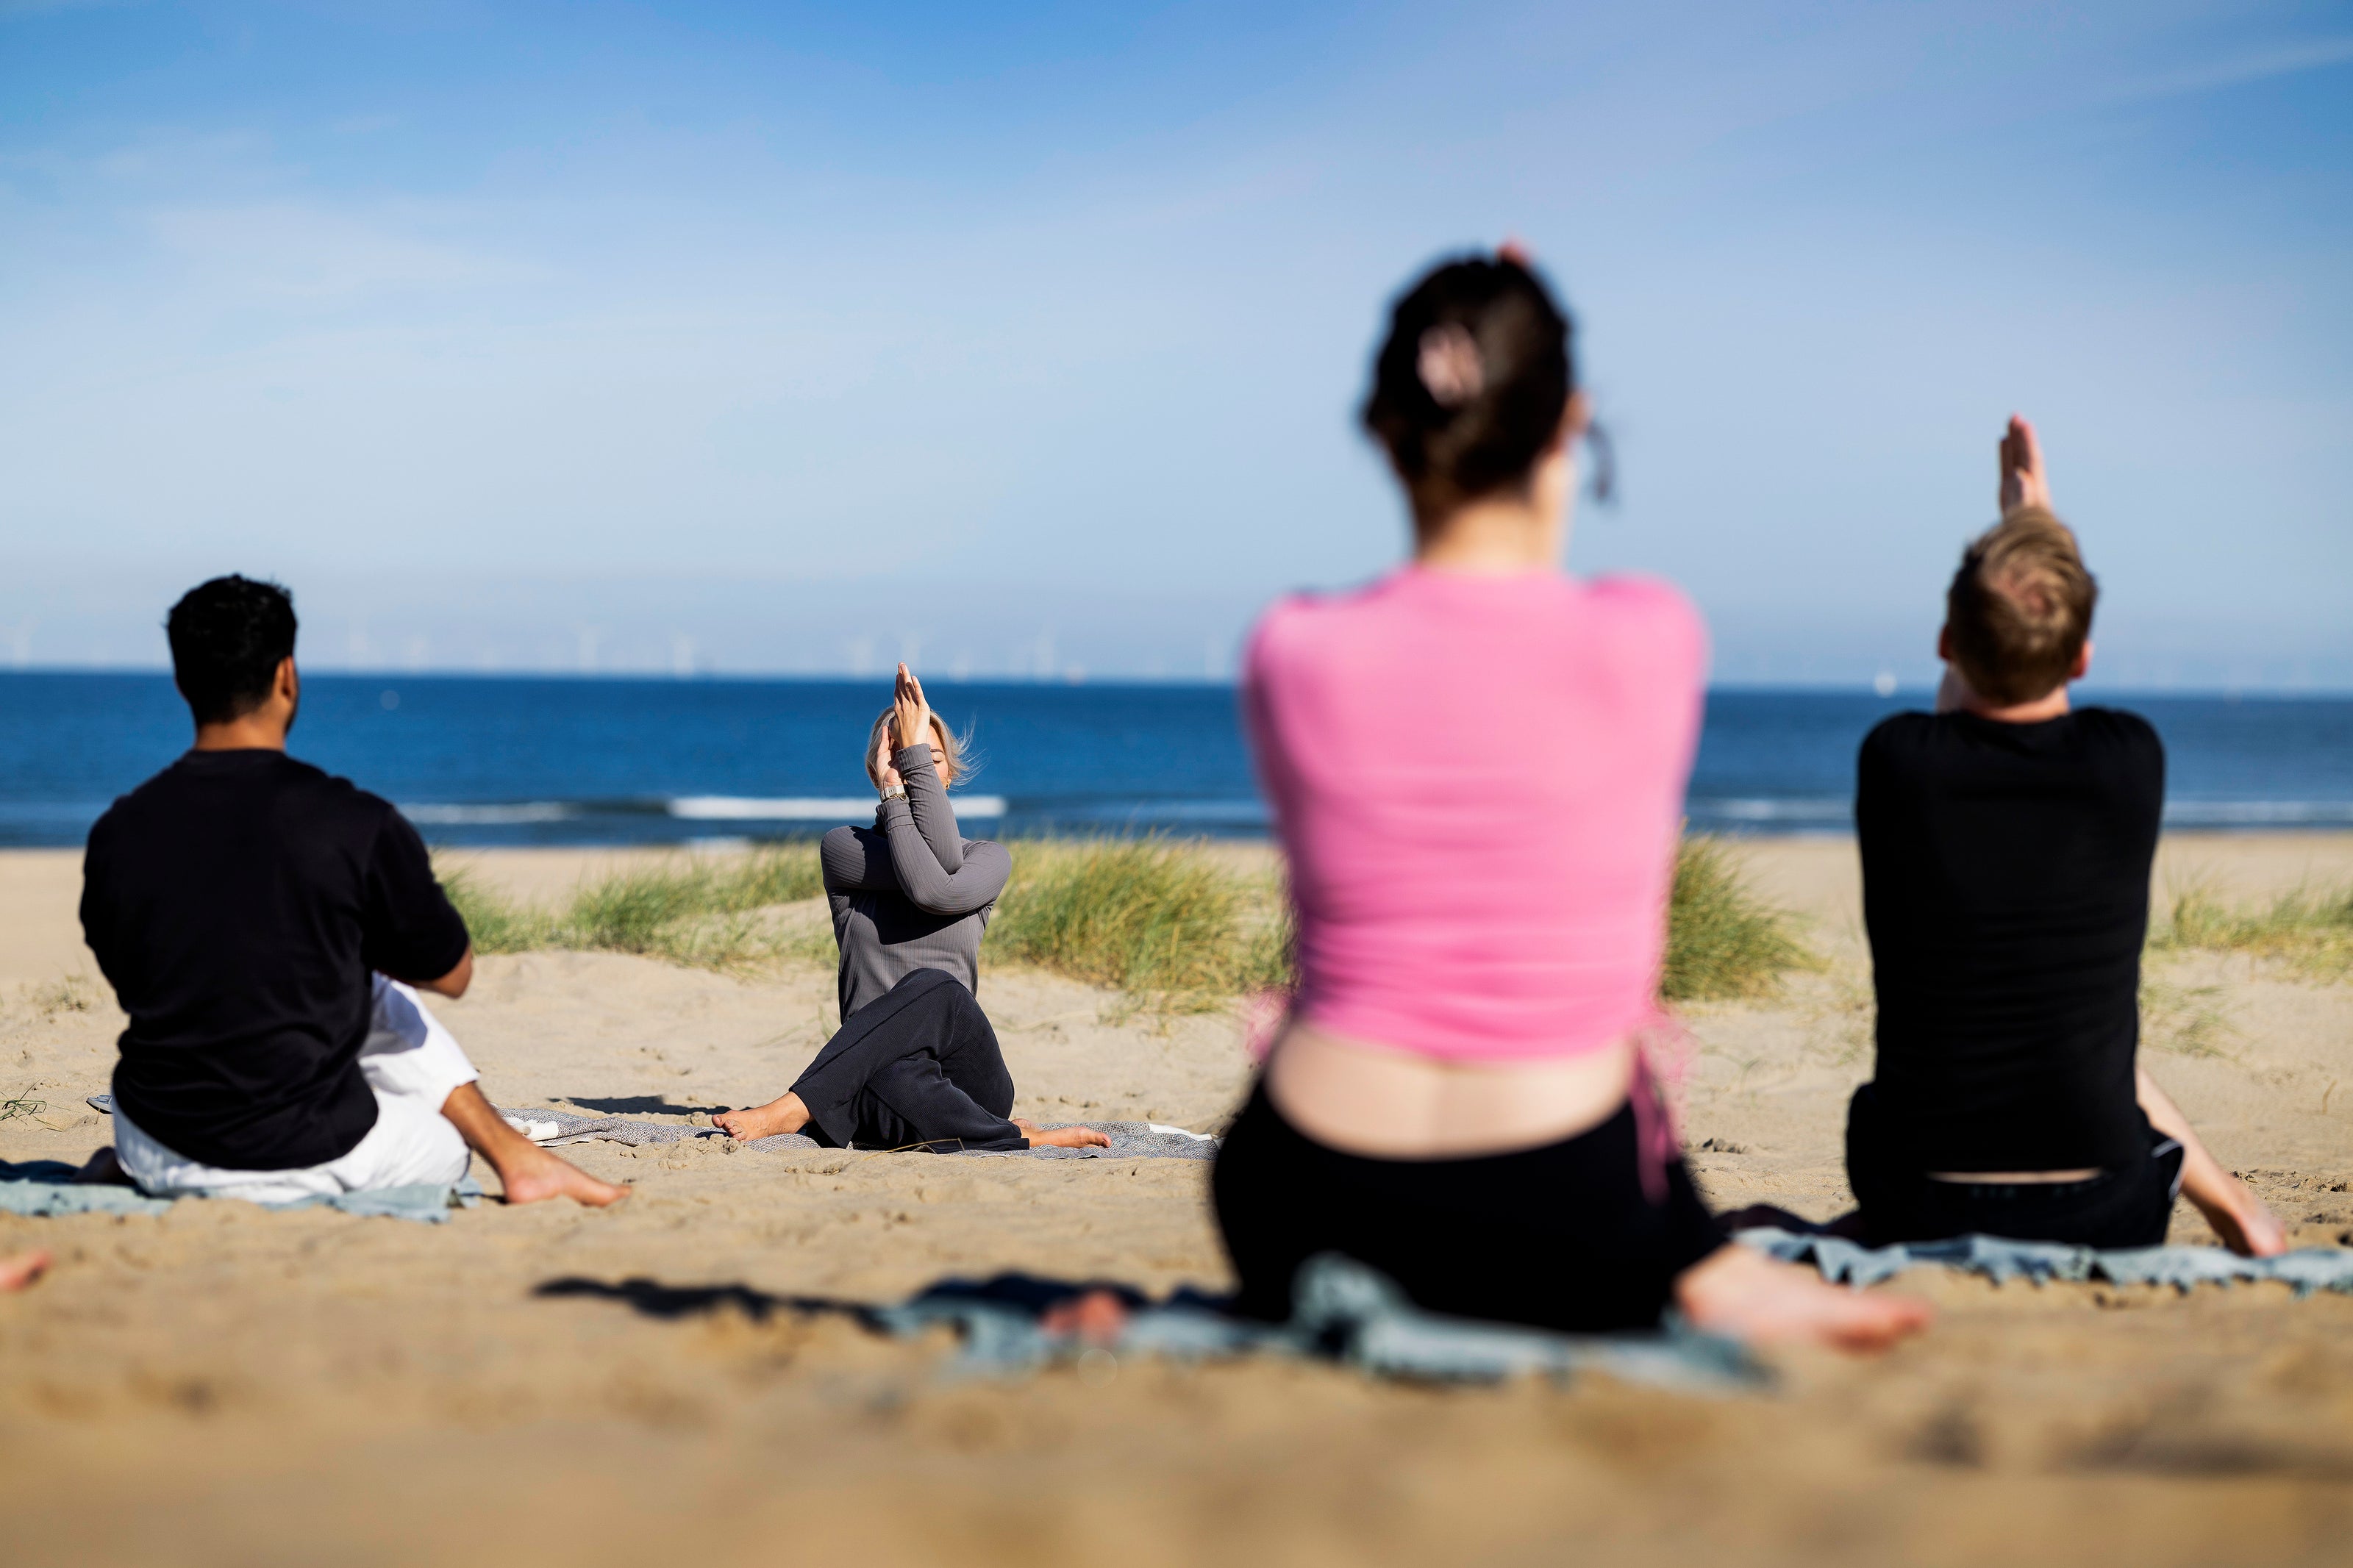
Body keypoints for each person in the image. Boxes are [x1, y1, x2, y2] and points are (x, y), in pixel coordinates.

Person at [1210, 250, 1929, 1348]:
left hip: (1308, 1195)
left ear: (1386, 431)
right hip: (1564, 1203)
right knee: (1617, 1057)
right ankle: (1710, 1268)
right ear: (1568, 429)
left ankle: (1707, 1267)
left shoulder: (1290, 648)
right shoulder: (1649, 636)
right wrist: (1542, 375)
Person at [1844, 416, 2285, 1256]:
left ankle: (2234, 1213)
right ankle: (2233, 1212)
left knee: (1938, 1090)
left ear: (1944, 643)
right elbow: (2019, 696)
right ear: (2082, 657)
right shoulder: (2129, 759)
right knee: (2081, 1049)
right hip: (2108, 1211)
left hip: (1917, 1199)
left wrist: (2017, 539)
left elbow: (1964, 711)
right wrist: (2038, 532)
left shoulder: (1894, 759)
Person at [79, 576, 624, 1209]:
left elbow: (137, 978)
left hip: (152, 1141)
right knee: (417, 1086)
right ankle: (518, 1159)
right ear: (288, 676)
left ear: (182, 683)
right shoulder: (355, 822)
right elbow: (453, 974)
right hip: (306, 1155)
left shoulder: (118, 831)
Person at [714, 665, 1108, 1153]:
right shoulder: (845, 849)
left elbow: (935, 885)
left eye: (930, 757)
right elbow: (927, 871)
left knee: (936, 987)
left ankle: (794, 1106)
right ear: (877, 769)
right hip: (875, 1078)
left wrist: (903, 783)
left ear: (947, 773)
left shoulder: (988, 859)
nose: (916, 764)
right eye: (901, 755)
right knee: (890, 1076)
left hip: (968, 1077)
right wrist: (898, 790)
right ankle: (1014, 1137)